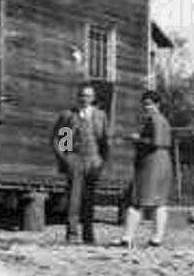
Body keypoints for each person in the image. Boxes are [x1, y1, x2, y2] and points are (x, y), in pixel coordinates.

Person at [51, 83, 109, 244]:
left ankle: (89, 235)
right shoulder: (69, 115)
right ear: (78, 97)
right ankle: (72, 233)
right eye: (83, 96)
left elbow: (104, 140)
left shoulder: (100, 115)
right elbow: (61, 140)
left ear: (93, 98)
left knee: (89, 198)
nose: (85, 99)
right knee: (74, 198)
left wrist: (101, 160)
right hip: (76, 158)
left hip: (93, 160)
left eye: (89, 96)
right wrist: (66, 159)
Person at [117, 90, 173, 247]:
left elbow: (157, 142)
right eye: (144, 104)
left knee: (136, 200)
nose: (146, 107)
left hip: (151, 163)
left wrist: (136, 139)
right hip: (163, 162)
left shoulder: (155, 120)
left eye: (149, 104)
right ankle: (157, 238)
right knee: (159, 202)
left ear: (157, 104)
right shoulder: (162, 120)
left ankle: (127, 237)